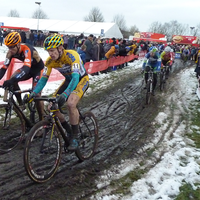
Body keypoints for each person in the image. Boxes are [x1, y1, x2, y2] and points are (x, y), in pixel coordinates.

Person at [27, 33, 89, 151]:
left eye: (52, 50)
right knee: (52, 107)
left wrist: (65, 95)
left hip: (81, 80)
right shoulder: (50, 61)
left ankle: (75, 137)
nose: (50, 54)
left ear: (60, 48)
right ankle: (69, 131)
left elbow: (75, 78)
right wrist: (33, 93)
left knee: (70, 103)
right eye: (48, 51)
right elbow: (43, 80)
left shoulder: (72, 56)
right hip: (68, 81)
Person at [0, 31, 44, 119]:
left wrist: (11, 80)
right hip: (27, 68)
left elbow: (26, 69)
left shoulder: (27, 49)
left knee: (37, 96)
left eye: (12, 47)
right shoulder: (10, 53)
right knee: (13, 78)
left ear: (18, 44)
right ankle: (21, 104)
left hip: (37, 69)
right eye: (8, 47)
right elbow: (4, 68)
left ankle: (41, 119)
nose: (10, 50)